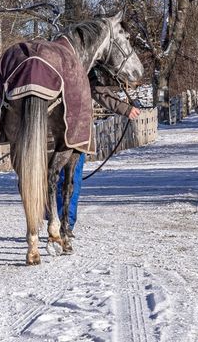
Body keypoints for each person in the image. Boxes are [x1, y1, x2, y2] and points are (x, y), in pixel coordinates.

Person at [57, 85, 140, 237]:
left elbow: (99, 90)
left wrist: (125, 108)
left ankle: (62, 221)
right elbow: (98, 90)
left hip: (68, 131)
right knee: (68, 179)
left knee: (67, 179)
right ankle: (62, 222)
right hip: (74, 130)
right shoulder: (82, 65)